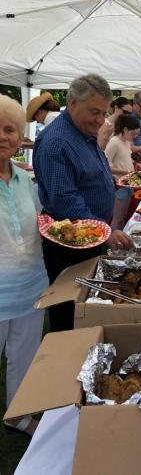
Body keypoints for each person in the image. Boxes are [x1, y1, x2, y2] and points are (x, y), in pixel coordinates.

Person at [33, 73, 133, 332]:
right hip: (70, 244)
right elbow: (64, 200)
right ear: (73, 103)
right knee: (69, 309)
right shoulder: (56, 142)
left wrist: (104, 178)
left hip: (90, 236)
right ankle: (63, 358)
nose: (101, 120)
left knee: (85, 303)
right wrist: (104, 230)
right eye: (95, 112)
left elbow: (85, 173)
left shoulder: (81, 130)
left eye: (103, 113)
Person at [0, 95, 49, 436]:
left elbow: (38, 223)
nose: (3, 137)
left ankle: (17, 415)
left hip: (32, 284)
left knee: (26, 354)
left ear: (19, 137)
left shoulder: (24, 179)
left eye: (9, 129)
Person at [105, 115, 141, 230]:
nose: (135, 137)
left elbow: (125, 158)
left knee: (124, 216)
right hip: (119, 185)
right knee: (117, 218)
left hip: (128, 183)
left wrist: (139, 165)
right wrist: (126, 171)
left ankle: (120, 241)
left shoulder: (126, 141)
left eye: (137, 134)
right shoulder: (114, 142)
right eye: (133, 134)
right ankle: (114, 244)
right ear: (125, 129)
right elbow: (105, 165)